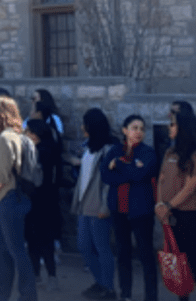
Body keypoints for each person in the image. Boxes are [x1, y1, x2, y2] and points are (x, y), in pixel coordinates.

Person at [0, 95, 38, 301]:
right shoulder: (17, 136)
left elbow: (2, 176)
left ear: (1, 114)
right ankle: (0, 295)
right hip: (13, 199)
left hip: (7, 199)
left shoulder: (5, 138)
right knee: (6, 252)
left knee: (15, 252)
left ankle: (27, 296)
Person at [156, 107, 196, 301]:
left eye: (173, 124)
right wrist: (159, 205)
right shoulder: (169, 152)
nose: (169, 127)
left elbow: (191, 186)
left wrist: (169, 205)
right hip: (171, 215)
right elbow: (161, 179)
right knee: (178, 262)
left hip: (190, 215)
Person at [102, 115, 160, 301]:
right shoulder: (114, 150)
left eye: (142, 128)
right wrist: (129, 170)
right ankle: (125, 294)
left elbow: (140, 174)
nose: (139, 132)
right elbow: (106, 176)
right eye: (134, 127)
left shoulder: (147, 152)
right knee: (123, 254)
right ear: (125, 130)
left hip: (141, 211)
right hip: (119, 210)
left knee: (146, 255)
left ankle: (151, 296)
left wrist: (118, 165)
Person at [69, 108, 118, 300]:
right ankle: (101, 282)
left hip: (99, 203)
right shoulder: (89, 146)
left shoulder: (110, 149)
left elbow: (109, 181)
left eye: (85, 123)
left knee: (101, 246)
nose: (82, 127)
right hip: (84, 202)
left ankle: (108, 287)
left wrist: (106, 207)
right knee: (83, 246)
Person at [23, 117, 61, 290]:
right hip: (48, 201)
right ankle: (48, 276)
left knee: (36, 241)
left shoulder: (38, 151)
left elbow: (33, 178)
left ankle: (38, 275)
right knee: (44, 241)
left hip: (37, 200)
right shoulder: (52, 149)